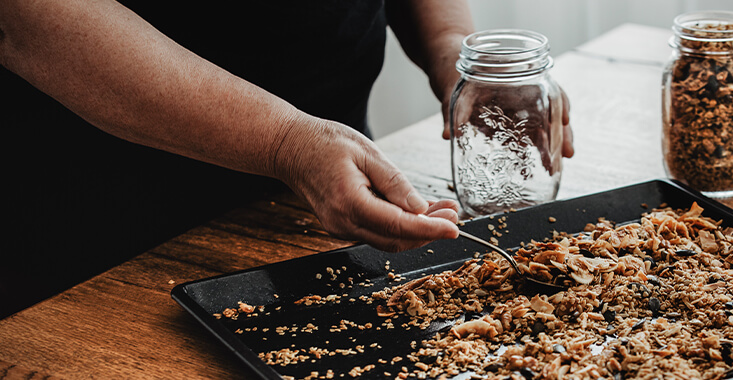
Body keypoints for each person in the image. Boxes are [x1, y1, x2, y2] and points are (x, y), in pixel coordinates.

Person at [0, 0, 575, 318]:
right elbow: (28, 17)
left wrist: (453, 47)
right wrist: (286, 142)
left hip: (327, 201)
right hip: (101, 231)